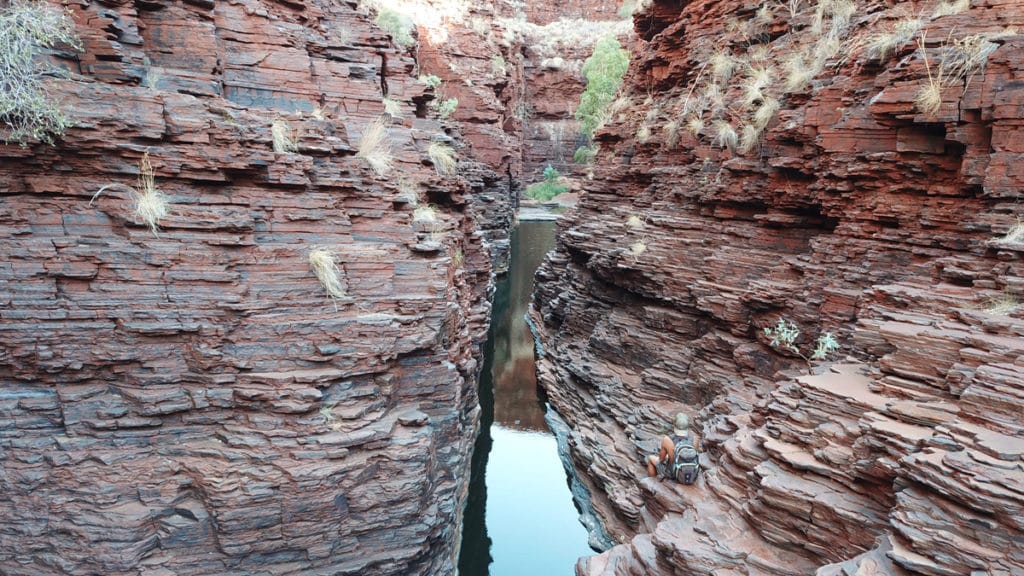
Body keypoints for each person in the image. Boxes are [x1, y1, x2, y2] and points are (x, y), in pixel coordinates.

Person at [646, 413, 700, 483]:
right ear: (687, 427)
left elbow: (661, 460)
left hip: (673, 473)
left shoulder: (667, 440)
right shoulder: (695, 439)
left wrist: (669, 456)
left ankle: (651, 483)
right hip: (691, 472)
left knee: (651, 458)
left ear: (674, 426)